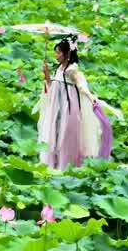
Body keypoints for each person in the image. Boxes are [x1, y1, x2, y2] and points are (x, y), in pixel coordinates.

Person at [36, 37, 105, 171]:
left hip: (68, 107)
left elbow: (81, 85)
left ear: (67, 53)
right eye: (55, 52)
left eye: (58, 53)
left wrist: (90, 97)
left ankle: (66, 164)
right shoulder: (59, 68)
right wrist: (46, 75)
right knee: (54, 132)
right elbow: (52, 87)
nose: (56, 56)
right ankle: (54, 162)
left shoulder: (71, 69)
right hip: (57, 107)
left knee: (65, 134)